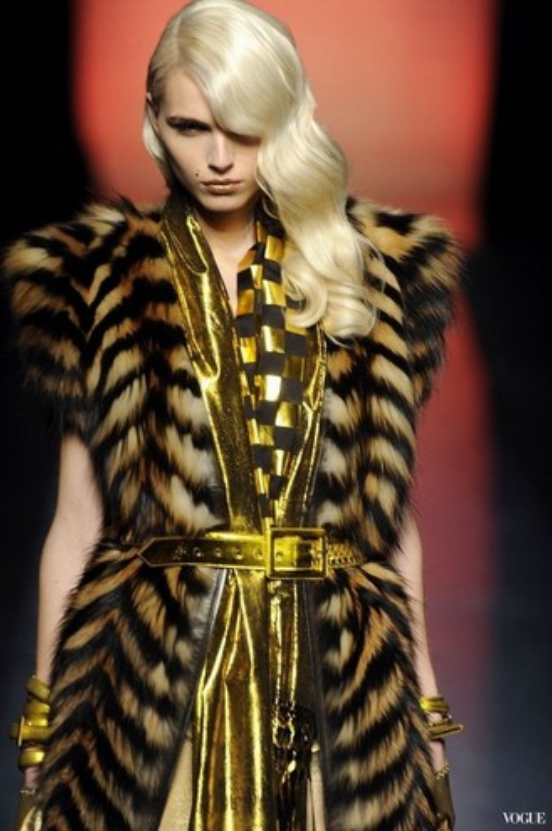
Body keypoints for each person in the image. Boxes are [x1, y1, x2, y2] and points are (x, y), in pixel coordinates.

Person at [3, 0, 464, 828]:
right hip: (155, 684)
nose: (218, 159)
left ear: (287, 120)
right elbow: (76, 522)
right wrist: (44, 723)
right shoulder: (102, 280)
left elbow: (388, 522)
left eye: (245, 130)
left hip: (329, 680)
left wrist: (426, 707)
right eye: (191, 127)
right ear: (153, 121)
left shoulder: (363, 272)